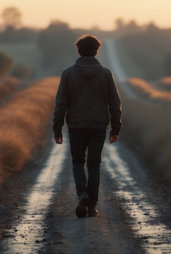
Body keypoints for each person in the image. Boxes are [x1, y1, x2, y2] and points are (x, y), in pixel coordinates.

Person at [53, 34, 122, 218]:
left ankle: (82, 194)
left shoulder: (68, 74)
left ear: (79, 50)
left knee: (77, 162)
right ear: (97, 51)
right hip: (99, 126)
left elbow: (61, 104)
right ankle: (92, 207)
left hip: (76, 125)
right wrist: (116, 128)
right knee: (94, 164)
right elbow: (115, 104)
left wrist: (57, 127)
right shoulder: (106, 74)